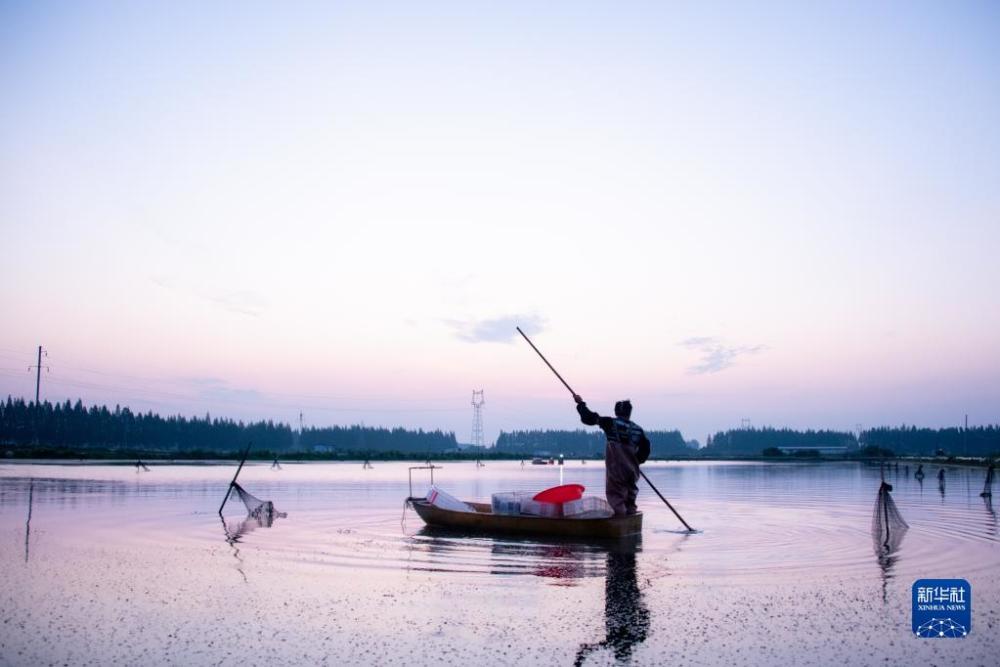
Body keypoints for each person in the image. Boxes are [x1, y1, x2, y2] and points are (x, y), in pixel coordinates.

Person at [574, 395, 650, 515]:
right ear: (629, 413)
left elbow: (589, 418)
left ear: (616, 412)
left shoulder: (610, 423)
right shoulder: (638, 430)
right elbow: (645, 451)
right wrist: (636, 461)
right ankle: (631, 519)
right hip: (632, 471)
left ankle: (619, 522)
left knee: (616, 497)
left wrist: (580, 404)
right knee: (630, 497)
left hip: (616, 470)